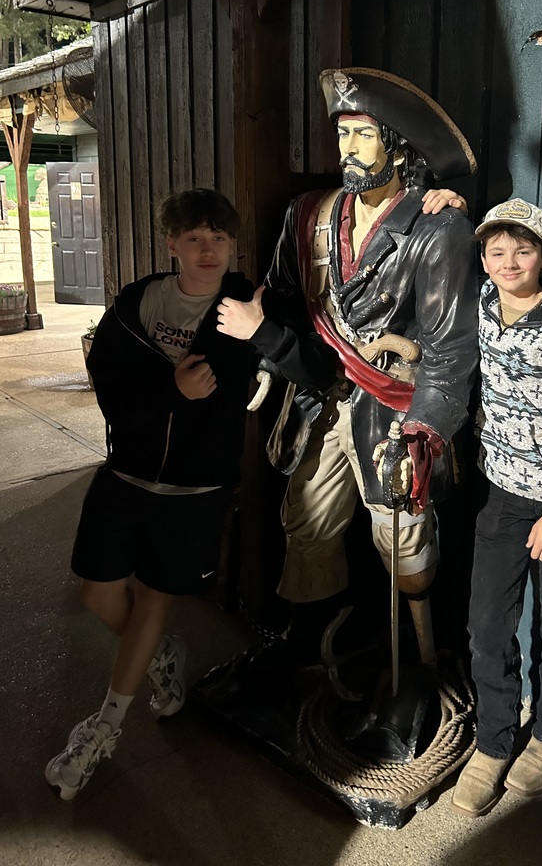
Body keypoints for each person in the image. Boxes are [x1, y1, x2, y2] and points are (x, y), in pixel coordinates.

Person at [43, 188, 328, 801]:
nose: (208, 249)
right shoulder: (137, 302)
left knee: (151, 601)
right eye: (194, 238)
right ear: (171, 243)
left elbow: (316, 369)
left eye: (219, 238)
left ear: (232, 245)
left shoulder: (252, 304)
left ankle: (104, 728)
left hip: (196, 487)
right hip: (124, 474)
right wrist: (172, 390)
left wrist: (267, 338)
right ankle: (159, 654)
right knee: (97, 595)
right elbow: (110, 384)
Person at [217, 67, 479, 665]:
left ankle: (422, 667)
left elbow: (450, 350)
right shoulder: (308, 213)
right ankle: (305, 646)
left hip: (392, 408)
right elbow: (284, 295)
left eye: (364, 136)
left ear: (397, 144)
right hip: (319, 396)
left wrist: (425, 428)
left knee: (403, 541)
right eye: (343, 136)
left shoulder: (439, 228)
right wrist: (269, 356)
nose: (349, 150)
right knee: (305, 523)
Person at [450, 198, 542, 817]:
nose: (509, 262)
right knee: (487, 625)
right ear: (483, 260)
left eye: (523, 250)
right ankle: (493, 741)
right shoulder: (483, 306)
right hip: (502, 495)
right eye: (496, 251)